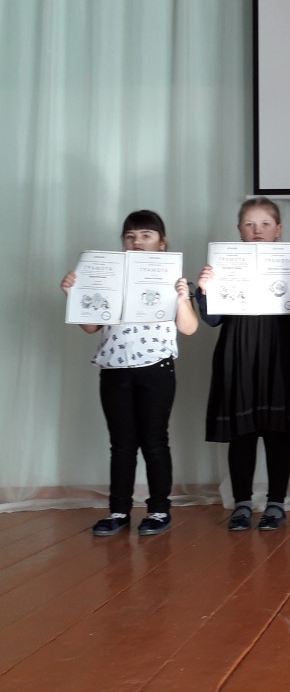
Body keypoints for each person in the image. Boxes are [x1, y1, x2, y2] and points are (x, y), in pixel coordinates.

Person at [60, 210, 198, 536]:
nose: (137, 241)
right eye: (130, 236)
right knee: (121, 445)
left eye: (146, 235)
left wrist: (182, 298)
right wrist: (74, 294)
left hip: (157, 368)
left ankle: (159, 510)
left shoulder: (173, 278)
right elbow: (91, 326)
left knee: (154, 442)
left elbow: (189, 328)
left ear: (161, 243)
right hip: (115, 370)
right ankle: (118, 511)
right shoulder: (109, 277)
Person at [196, 197, 290, 532]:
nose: (257, 230)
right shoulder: (225, 267)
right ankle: (242, 504)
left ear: (278, 230)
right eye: (250, 224)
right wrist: (204, 290)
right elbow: (212, 319)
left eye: (265, 224)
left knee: (278, 432)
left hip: (279, 354)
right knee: (242, 433)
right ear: (239, 229)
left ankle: (276, 504)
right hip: (238, 353)